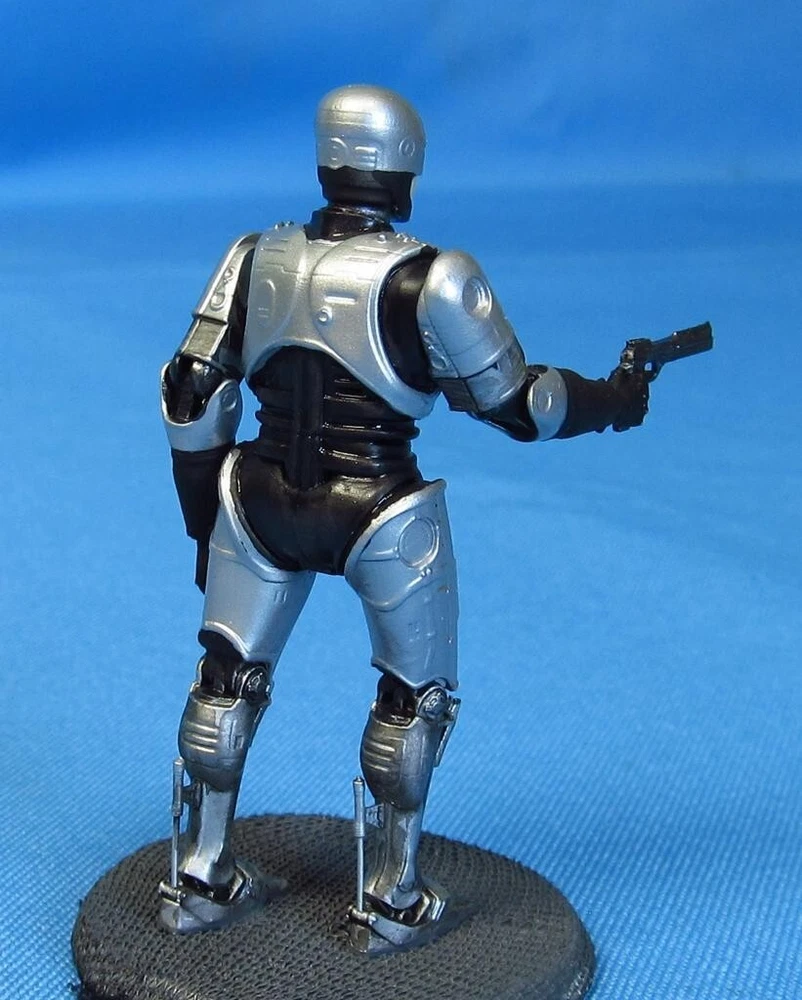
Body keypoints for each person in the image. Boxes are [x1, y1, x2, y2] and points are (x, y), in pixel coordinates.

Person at [158, 84, 649, 952]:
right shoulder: (434, 279)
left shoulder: (255, 256)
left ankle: (200, 874)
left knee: (225, 679)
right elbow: (520, 405)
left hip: (259, 499)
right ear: (405, 168)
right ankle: (389, 896)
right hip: (380, 507)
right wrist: (614, 399)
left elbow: (191, 391)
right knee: (412, 701)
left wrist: (207, 518)